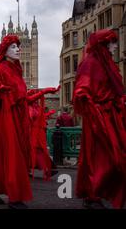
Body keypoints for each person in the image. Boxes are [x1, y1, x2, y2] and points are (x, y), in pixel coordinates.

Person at [73, 29, 126, 209]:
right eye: (112, 42)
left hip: (112, 117)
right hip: (98, 118)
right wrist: (94, 109)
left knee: (115, 157)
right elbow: (81, 90)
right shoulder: (91, 63)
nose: (115, 46)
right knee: (103, 157)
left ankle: (95, 193)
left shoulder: (109, 64)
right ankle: (93, 193)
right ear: (104, 44)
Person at [0, 35, 33, 209]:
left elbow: (22, 95)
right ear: (4, 51)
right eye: (13, 47)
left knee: (3, 155)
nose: (18, 49)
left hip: (19, 116)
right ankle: (15, 196)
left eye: (18, 47)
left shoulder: (16, 70)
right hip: (6, 117)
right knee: (13, 154)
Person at [27, 87, 60, 180]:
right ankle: (44, 168)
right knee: (34, 150)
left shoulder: (35, 107)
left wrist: (49, 113)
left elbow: (39, 117)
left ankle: (47, 168)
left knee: (39, 150)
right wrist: (44, 91)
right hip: (31, 132)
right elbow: (31, 117)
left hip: (36, 133)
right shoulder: (28, 105)